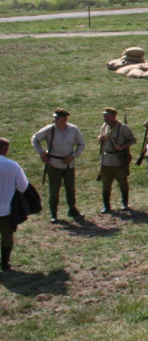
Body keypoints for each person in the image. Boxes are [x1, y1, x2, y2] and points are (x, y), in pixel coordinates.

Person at [31, 107, 85, 222]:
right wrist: (41, 153)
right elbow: (35, 139)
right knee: (54, 190)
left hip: (69, 165)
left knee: (71, 189)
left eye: (58, 118)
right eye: (55, 118)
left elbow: (81, 144)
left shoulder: (73, 129)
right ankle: (53, 213)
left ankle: (72, 209)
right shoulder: (49, 129)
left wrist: (73, 156)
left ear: (65, 119)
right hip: (54, 164)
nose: (55, 120)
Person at [0, 138, 30, 272]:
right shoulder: (12, 165)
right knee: (7, 236)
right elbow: (23, 186)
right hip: (6, 208)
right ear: (5, 149)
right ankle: (5, 263)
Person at [98, 107, 136, 212]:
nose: (105, 118)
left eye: (107, 116)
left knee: (122, 182)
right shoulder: (105, 126)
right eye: (104, 116)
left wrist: (121, 147)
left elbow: (132, 140)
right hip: (106, 159)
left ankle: (124, 203)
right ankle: (106, 205)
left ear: (114, 116)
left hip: (118, 159)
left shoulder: (123, 128)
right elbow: (102, 137)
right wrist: (100, 139)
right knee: (106, 183)